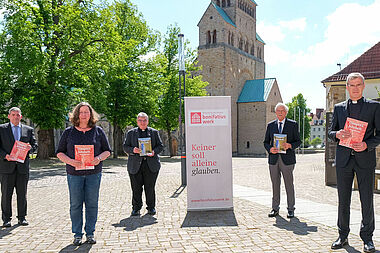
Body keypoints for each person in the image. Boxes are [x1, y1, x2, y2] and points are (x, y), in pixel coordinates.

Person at [328, 73, 380, 253]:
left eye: (358, 85)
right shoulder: (339, 108)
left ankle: (368, 238)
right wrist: (337, 134)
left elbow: (379, 135)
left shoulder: (374, 107)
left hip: (365, 159)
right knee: (343, 201)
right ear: (347, 87)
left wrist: (367, 144)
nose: (355, 88)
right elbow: (330, 131)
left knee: (367, 200)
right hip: (344, 161)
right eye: (352, 85)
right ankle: (342, 236)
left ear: (363, 86)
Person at [56, 102, 111, 246]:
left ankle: (90, 233)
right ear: (77, 114)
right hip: (74, 174)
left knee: (92, 204)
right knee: (75, 204)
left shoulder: (98, 131)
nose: (84, 115)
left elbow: (107, 151)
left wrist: (99, 158)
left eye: (87, 112)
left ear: (91, 114)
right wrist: (70, 161)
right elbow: (59, 152)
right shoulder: (69, 132)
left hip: (94, 174)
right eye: (81, 112)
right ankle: (77, 234)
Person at [0, 107, 37, 227]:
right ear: (9, 116)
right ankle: (6, 219)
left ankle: (22, 217)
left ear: (21, 117)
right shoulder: (1, 129)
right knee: (6, 194)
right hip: (6, 167)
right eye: (13, 114)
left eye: (18, 115)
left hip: (22, 168)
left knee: (22, 193)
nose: (16, 117)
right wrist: (5, 155)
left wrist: (30, 147)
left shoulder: (28, 129)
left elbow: (34, 145)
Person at [263, 103, 301, 219]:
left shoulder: (293, 125)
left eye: (282, 111)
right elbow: (265, 142)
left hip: (287, 160)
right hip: (274, 159)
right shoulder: (270, 125)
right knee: (275, 184)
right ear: (275, 112)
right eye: (278, 111)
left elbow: (298, 141)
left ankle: (291, 209)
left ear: (286, 112)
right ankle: (275, 208)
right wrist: (270, 149)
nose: (280, 112)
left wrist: (290, 145)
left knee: (289, 185)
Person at [123, 112, 163, 216]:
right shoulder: (131, 133)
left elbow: (160, 146)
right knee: (136, 188)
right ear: (137, 122)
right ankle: (136, 208)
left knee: (150, 187)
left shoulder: (154, 132)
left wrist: (154, 152)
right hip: (135, 165)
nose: (142, 122)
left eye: (144, 120)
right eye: (140, 120)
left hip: (151, 165)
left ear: (147, 121)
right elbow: (125, 147)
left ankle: (151, 207)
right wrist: (133, 150)